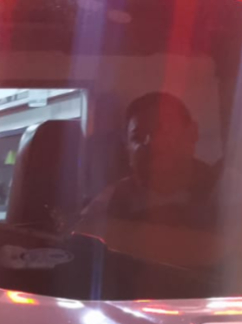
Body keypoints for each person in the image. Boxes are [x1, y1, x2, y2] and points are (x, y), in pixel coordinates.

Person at [79, 92, 220, 232]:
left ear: (192, 134)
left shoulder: (226, 194)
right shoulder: (110, 201)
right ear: (127, 147)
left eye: (164, 131)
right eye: (137, 136)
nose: (151, 143)